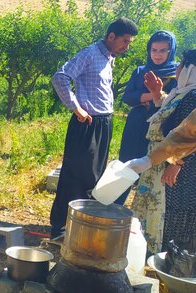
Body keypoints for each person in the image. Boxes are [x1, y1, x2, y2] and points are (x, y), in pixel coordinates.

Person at [49, 18, 138, 238]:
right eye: (125, 41)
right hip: (86, 123)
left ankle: (81, 224)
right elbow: (60, 78)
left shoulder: (109, 58)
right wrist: (76, 108)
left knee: (94, 176)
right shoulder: (89, 53)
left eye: (129, 43)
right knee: (76, 175)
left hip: (103, 123)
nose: (127, 47)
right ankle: (61, 227)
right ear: (111, 36)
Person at [126, 50, 196, 252]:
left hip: (175, 163)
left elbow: (188, 136)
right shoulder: (182, 91)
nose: (177, 68)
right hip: (160, 158)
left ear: (191, 70)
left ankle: (164, 253)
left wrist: (177, 164)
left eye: (181, 64)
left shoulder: (193, 96)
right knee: (151, 207)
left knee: (170, 210)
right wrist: (158, 94)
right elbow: (170, 115)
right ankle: (146, 249)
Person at [115, 30, 178, 205]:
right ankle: (115, 205)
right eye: (154, 50)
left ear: (171, 51)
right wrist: (153, 94)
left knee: (153, 167)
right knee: (127, 163)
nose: (157, 55)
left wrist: (145, 95)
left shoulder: (178, 72)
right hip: (136, 123)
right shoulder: (141, 70)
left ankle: (145, 211)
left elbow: (176, 100)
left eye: (163, 50)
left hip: (161, 128)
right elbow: (127, 97)